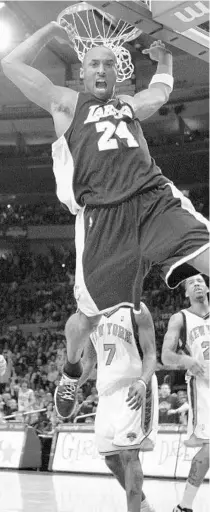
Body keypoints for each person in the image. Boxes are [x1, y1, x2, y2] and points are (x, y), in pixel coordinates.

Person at [1, 20, 209, 419]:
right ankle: (72, 369)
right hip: (103, 218)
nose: (101, 70)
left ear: (118, 73)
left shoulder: (129, 105)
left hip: (152, 201)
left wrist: (164, 54)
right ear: (83, 71)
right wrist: (50, 29)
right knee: (87, 319)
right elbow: (10, 64)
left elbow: (161, 91)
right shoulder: (66, 103)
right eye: (94, 64)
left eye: (108, 65)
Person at [78, 302, 158, 512]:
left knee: (129, 455)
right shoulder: (92, 315)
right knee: (112, 459)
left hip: (135, 386)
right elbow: (88, 363)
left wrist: (142, 381)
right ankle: (144, 507)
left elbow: (150, 354)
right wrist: (69, 384)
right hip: (107, 393)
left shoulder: (137, 309)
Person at [161, 274, 209, 512]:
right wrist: (187, 360)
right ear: (186, 293)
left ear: (207, 286)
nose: (197, 284)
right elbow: (166, 355)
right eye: (191, 283)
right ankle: (184, 506)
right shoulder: (181, 318)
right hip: (204, 387)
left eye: (200, 280)